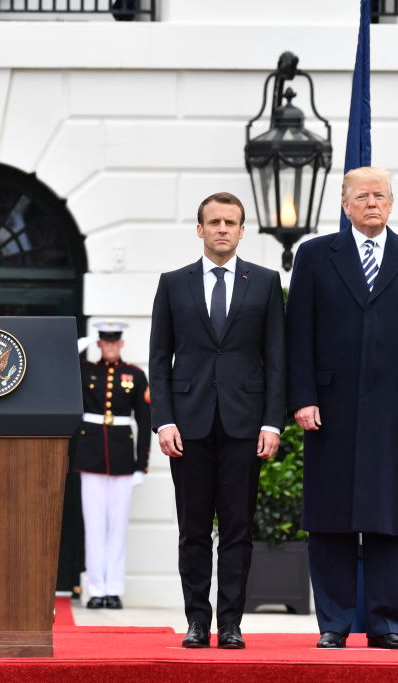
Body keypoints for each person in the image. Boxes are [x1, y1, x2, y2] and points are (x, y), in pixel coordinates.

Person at [287, 166, 398, 650]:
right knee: (330, 517)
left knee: (391, 518)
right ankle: (334, 624)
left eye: (380, 195)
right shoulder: (314, 255)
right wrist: (302, 397)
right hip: (329, 409)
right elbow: (298, 334)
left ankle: (385, 624)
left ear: (391, 203)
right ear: (345, 205)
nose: (372, 203)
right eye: (362, 196)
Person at [149, 192, 285, 649]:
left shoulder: (264, 283)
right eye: (214, 222)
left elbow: (276, 359)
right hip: (187, 427)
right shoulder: (173, 283)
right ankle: (196, 621)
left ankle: (230, 623)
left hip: (245, 425)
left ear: (242, 231)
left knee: (237, 530)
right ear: (200, 229)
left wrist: (272, 423)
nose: (222, 228)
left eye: (230, 222)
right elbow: (158, 358)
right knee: (192, 530)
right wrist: (163, 421)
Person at [74, 320, 150, 611]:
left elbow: (145, 421)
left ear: (121, 343)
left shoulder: (135, 375)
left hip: (122, 458)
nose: (109, 346)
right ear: (99, 343)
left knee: (117, 528)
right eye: (104, 341)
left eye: (113, 341)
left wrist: (141, 465)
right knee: (94, 526)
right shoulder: (85, 370)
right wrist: (80, 344)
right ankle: (96, 590)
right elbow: (61, 366)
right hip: (91, 455)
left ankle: (114, 590)